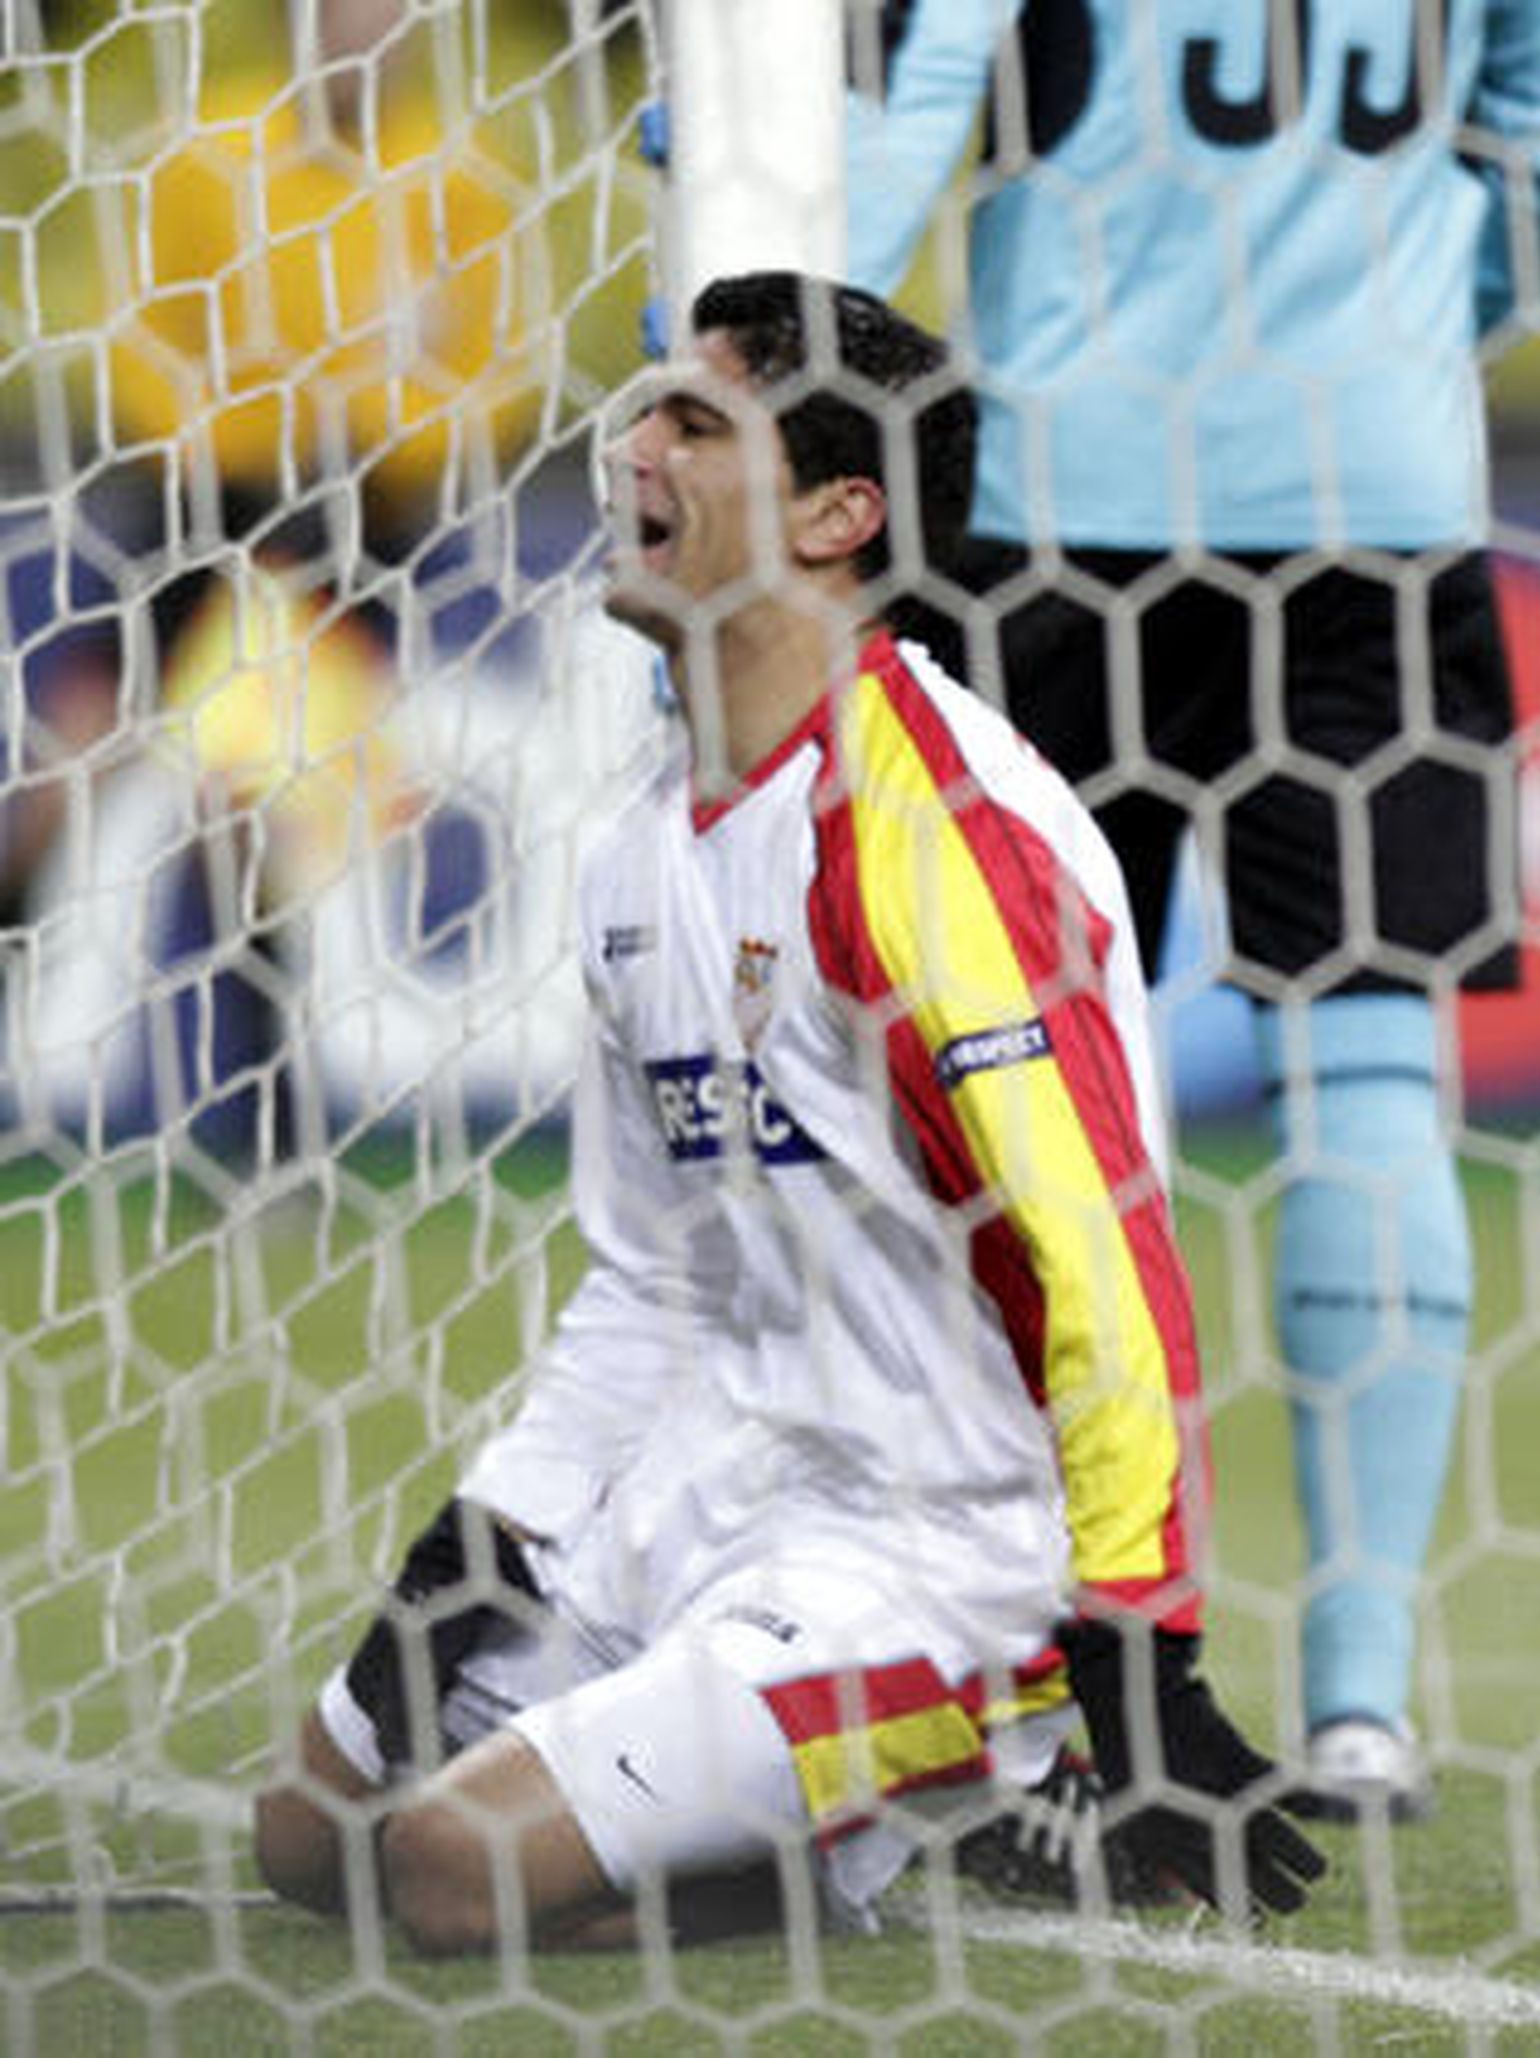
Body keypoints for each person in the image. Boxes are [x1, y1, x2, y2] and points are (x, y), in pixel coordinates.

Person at [252, 269, 1323, 1952]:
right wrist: (484, 1537)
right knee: (310, 1833)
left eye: (696, 418)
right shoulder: (638, 848)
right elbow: (659, 1271)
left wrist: (1139, 1633)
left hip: (943, 1550)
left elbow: (1102, 1258)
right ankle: (837, 1810)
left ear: (841, 512)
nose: (633, 446)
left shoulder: (932, 835)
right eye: (641, 409)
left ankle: (948, 1793)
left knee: (450, 1872)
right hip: (720, 1486)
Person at [845, 1, 1540, 1820]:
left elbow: (908, 108)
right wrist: (1411, 333)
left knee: (1001, 1083)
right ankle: (1358, 1709)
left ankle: (1010, 1684)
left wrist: (748, 364)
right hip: (1377, 504)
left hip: (1057, 503)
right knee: (1369, 1076)